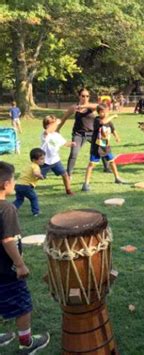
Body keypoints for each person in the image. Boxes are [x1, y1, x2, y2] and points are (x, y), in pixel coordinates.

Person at [0, 162, 50, 353]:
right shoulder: (6, 209)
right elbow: (7, 240)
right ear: (6, 184)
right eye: (13, 180)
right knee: (22, 305)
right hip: (7, 271)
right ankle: (26, 343)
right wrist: (20, 264)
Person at [58, 88, 109, 176]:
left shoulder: (91, 107)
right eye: (83, 96)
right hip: (79, 134)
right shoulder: (74, 107)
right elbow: (64, 118)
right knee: (74, 153)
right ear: (79, 96)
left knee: (103, 147)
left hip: (93, 133)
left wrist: (84, 106)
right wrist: (57, 130)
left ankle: (107, 168)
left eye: (87, 96)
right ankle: (69, 174)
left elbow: (99, 106)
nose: (85, 98)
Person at [81, 104, 124, 192]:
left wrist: (117, 137)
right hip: (97, 147)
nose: (104, 114)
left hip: (106, 146)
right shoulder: (97, 120)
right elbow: (103, 122)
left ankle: (117, 178)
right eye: (102, 112)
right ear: (99, 113)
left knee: (112, 161)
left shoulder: (109, 122)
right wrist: (112, 116)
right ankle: (86, 184)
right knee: (91, 164)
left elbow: (113, 129)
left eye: (106, 112)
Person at [41, 116, 75, 196]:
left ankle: (68, 190)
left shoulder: (56, 135)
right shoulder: (45, 134)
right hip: (45, 161)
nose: (55, 126)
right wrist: (55, 123)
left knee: (65, 175)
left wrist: (71, 144)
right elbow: (47, 131)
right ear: (46, 126)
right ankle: (26, 187)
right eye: (51, 125)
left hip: (55, 160)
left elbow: (64, 143)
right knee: (38, 177)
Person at [13, 149, 45, 217]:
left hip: (18, 185)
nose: (43, 161)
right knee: (33, 198)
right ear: (34, 160)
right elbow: (36, 173)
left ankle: (11, 210)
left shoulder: (28, 165)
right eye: (41, 159)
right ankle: (36, 212)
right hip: (26, 186)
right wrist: (41, 176)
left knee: (19, 199)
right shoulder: (35, 166)